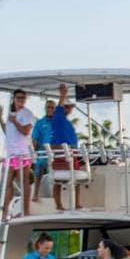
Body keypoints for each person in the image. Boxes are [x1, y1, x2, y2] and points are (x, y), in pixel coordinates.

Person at [0, 89, 35, 215]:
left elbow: (26, 131)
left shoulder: (27, 113)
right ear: (14, 98)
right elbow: (8, 132)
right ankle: (5, 213)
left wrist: (14, 121)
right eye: (18, 97)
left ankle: (26, 210)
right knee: (7, 184)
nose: (21, 100)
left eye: (23, 98)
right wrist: (0, 119)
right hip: (10, 154)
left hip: (22, 153)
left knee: (24, 183)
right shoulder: (11, 114)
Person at [50, 84, 84, 212]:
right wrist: (62, 96)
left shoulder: (64, 121)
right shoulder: (58, 118)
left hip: (68, 155)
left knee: (59, 180)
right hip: (65, 157)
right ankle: (73, 204)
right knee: (75, 178)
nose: (70, 109)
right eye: (68, 107)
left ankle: (68, 205)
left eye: (70, 107)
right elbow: (58, 109)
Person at [31, 98, 56, 189]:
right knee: (40, 164)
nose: (50, 109)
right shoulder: (39, 123)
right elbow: (34, 139)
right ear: (45, 108)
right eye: (48, 107)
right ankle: (36, 193)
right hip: (43, 151)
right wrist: (32, 153)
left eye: (52, 108)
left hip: (57, 151)